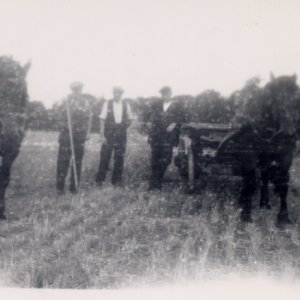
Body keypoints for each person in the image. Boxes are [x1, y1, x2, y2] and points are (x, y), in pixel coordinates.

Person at [56, 81, 92, 194]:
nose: (77, 92)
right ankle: (60, 188)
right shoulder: (65, 100)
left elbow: (89, 118)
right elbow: (57, 114)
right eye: (75, 90)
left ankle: (74, 187)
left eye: (79, 89)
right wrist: (63, 125)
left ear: (81, 90)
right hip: (66, 134)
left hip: (80, 135)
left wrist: (88, 133)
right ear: (72, 90)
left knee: (77, 161)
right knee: (63, 161)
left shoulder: (85, 102)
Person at [95, 86, 134, 187]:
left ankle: (116, 181)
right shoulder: (107, 103)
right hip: (109, 134)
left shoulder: (126, 104)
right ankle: (100, 180)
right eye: (115, 93)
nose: (116, 95)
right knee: (104, 157)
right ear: (113, 93)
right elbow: (102, 119)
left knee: (119, 158)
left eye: (119, 93)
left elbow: (130, 119)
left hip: (121, 135)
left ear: (121, 94)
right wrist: (102, 135)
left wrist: (124, 127)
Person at [148, 86, 185, 190]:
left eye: (167, 94)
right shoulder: (157, 106)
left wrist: (174, 124)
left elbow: (180, 118)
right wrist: (151, 135)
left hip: (169, 137)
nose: (165, 96)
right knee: (154, 159)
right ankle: (154, 184)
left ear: (170, 94)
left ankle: (157, 180)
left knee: (166, 159)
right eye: (163, 94)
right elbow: (153, 120)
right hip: (157, 136)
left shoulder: (176, 106)